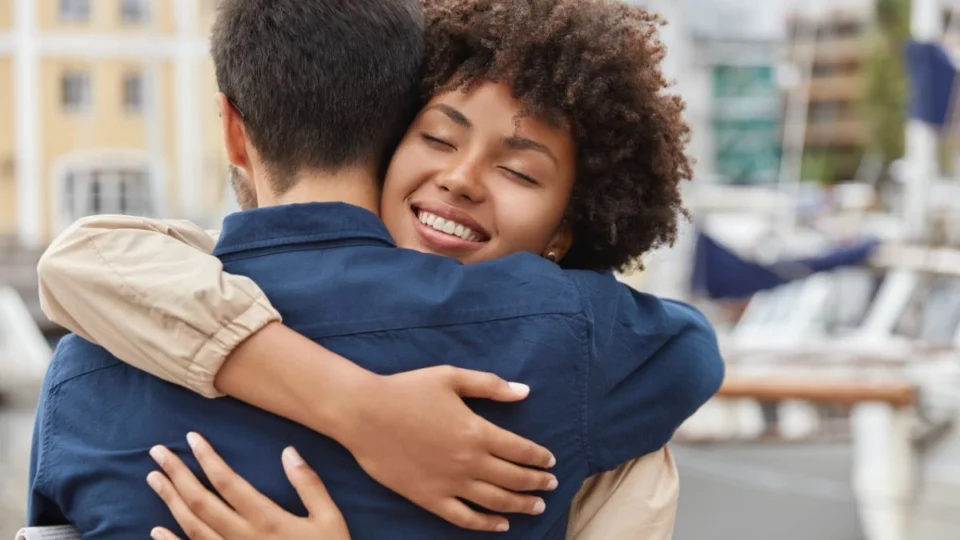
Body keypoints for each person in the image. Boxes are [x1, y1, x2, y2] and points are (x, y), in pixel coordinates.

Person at [30, 0, 723, 538]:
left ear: (233, 129)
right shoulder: (583, 351)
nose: (459, 179)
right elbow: (691, 353)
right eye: (438, 137)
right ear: (388, 128)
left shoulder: (92, 360)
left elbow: (84, 263)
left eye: (517, 170)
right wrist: (356, 407)